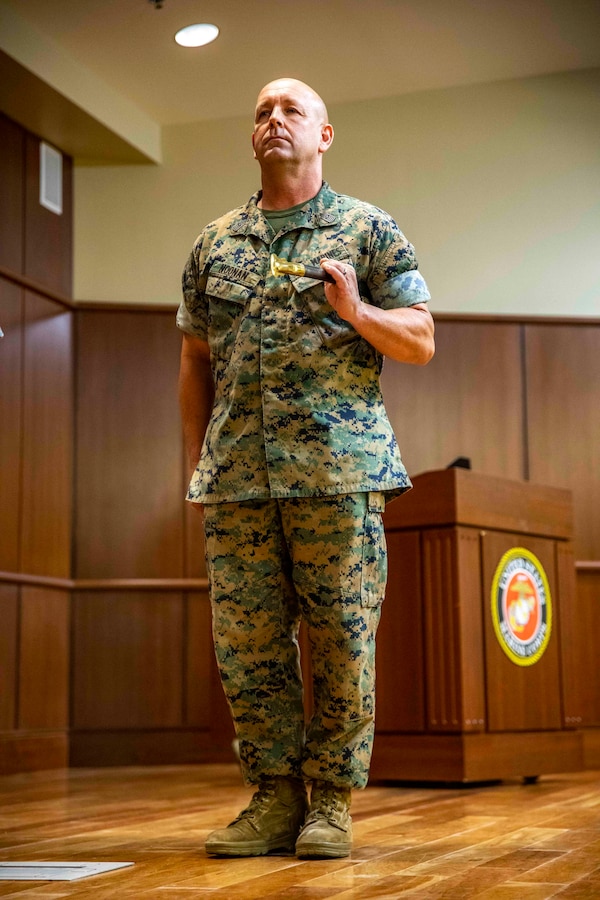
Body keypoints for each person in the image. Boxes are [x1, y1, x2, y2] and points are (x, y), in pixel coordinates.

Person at [177, 77, 434, 860]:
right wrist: (198, 462)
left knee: (342, 640)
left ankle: (330, 801)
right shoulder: (216, 242)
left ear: (324, 135)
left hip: (338, 475)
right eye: (261, 111)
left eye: (291, 110)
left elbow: (421, 338)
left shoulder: (367, 229)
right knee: (248, 648)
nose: (274, 121)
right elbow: (195, 358)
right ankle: (273, 798)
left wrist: (357, 311)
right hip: (240, 482)